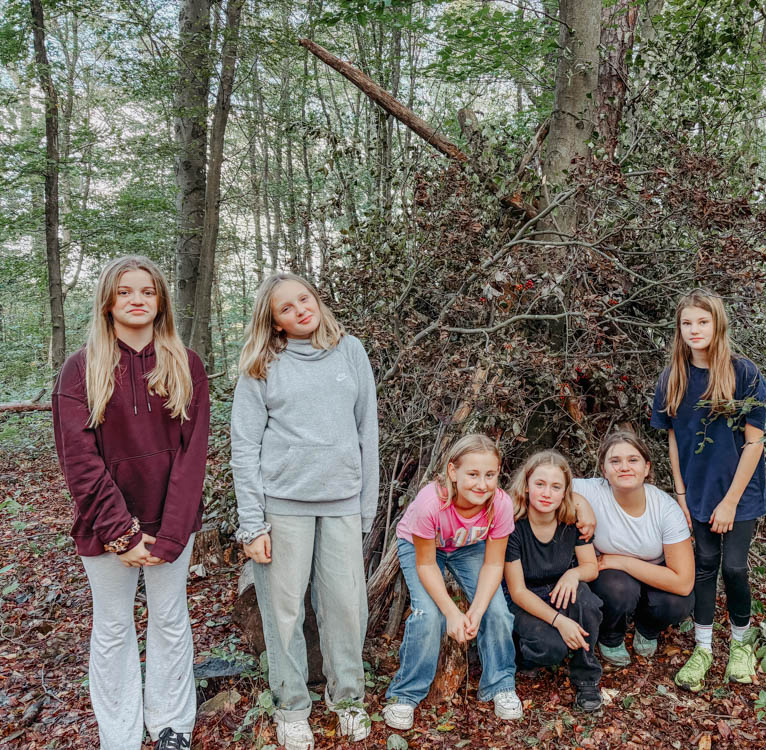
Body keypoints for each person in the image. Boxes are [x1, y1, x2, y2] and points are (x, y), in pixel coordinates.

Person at [53, 256, 209, 750]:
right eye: (125, 291)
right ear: (108, 301)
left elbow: (192, 457)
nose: (137, 299)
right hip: (104, 528)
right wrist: (120, 533)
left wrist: (171, 533)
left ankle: (171, 725)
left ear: (161, 300)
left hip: (172, 527)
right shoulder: (80, 370)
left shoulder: (186, 364)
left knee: (169, 619)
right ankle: (118, 735)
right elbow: (79, 462)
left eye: (147, 290)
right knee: (114, 627)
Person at [231, 272, 377, 748]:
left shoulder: (350, 351)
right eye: (285, 308)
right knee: (284, 612)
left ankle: (349, 698)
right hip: (282, 507)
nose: (299, 310)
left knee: (345, 608)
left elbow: (366, 432)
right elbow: (244, 445)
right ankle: (292, 706)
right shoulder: (262, 364)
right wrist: (252, 523)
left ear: (316, 300)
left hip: (341, 503)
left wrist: (366, 509)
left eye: (303, 299)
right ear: (273, 323)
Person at [652, 289, 766, 692]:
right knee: (704, 565)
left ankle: (741, 645)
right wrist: (680, 497)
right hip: (696, 494)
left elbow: (754, 442)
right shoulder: (673, 378)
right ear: (679, 328)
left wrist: (731, 502)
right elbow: (672, 440)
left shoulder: (746, 374)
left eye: (703, 322)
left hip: (741, 494)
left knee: (733, 567)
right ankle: (702, 649)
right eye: (687, 323)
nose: (695, 330)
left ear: (718, 324)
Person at [383, 434, 522, 730]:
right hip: (422, 548)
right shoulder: (430, 503)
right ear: (452, 472)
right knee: (428, 615)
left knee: (497, 610)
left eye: (490, 475)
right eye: (472, 474)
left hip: (468, 547)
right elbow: (426, 564)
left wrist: (477, 609)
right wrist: (452, 612)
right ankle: (404, 694)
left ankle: (500, 685)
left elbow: (494, 563)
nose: (482, 484)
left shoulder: (500, 504)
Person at [572, 431, 694, 668]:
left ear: (646, 468)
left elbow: (684, 582)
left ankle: (647, 628)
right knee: (617, 589)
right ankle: (611, 636)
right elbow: (542, 482)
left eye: (633, 460)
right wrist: (580, 504)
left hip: (653, 572)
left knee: (678, 602)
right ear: (604, 470)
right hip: (613, 580)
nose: (624, 467)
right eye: (615, 461)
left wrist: (622, 561)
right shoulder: (591, 491)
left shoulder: (666, 509)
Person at [504, 450, 603, 712]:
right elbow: (517, 592)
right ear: (526, 487)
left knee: (587, 602)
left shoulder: (572, 521)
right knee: (551, 648)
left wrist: (573, 573)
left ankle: (586, 677)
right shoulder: (513, 527)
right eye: (540, 484)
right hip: (525, 598)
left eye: (556, 486)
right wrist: (560, 622)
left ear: (565, 492)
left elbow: (591, 567)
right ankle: (524, 654)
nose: (547, 493)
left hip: (560, 588)